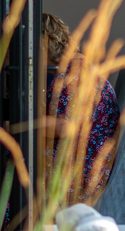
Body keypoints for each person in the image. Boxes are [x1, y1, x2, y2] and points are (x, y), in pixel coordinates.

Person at [41, 12, 117, 204]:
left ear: (44, 42)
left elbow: (64, 128)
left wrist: (16, 124)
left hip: (81, 170)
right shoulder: (71, 67)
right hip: (77, 159)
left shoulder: (75, 73)